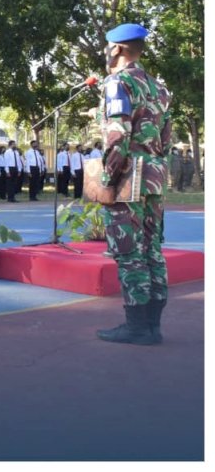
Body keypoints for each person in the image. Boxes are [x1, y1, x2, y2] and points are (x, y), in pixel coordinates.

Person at [96, 23, 171, 346]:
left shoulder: (118, 83)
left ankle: (137, 327)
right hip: (155, 174)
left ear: (117, 49)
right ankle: (152, 325)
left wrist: (106, 180)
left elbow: (117, 136)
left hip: (128, 176)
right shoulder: (159, 88)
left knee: (129, 252)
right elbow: (165, 139)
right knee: (152, 249)